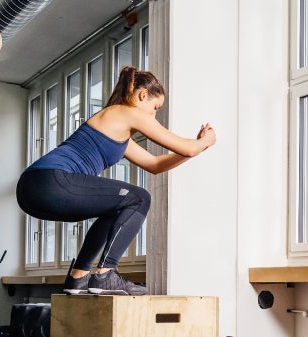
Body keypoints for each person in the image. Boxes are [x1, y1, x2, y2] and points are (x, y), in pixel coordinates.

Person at [16, 66, 217, 295]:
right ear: (142, 95)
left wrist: (197, 148)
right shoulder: (127, 112)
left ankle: (78, 277)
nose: (153, 115)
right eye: (155, 108)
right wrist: (204, 142)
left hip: (32, 189)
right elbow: (188, 148)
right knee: (140, 198)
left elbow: (155, 165)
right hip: (51, 181)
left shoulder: (116, 126)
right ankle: (105, 274)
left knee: (117, 207)